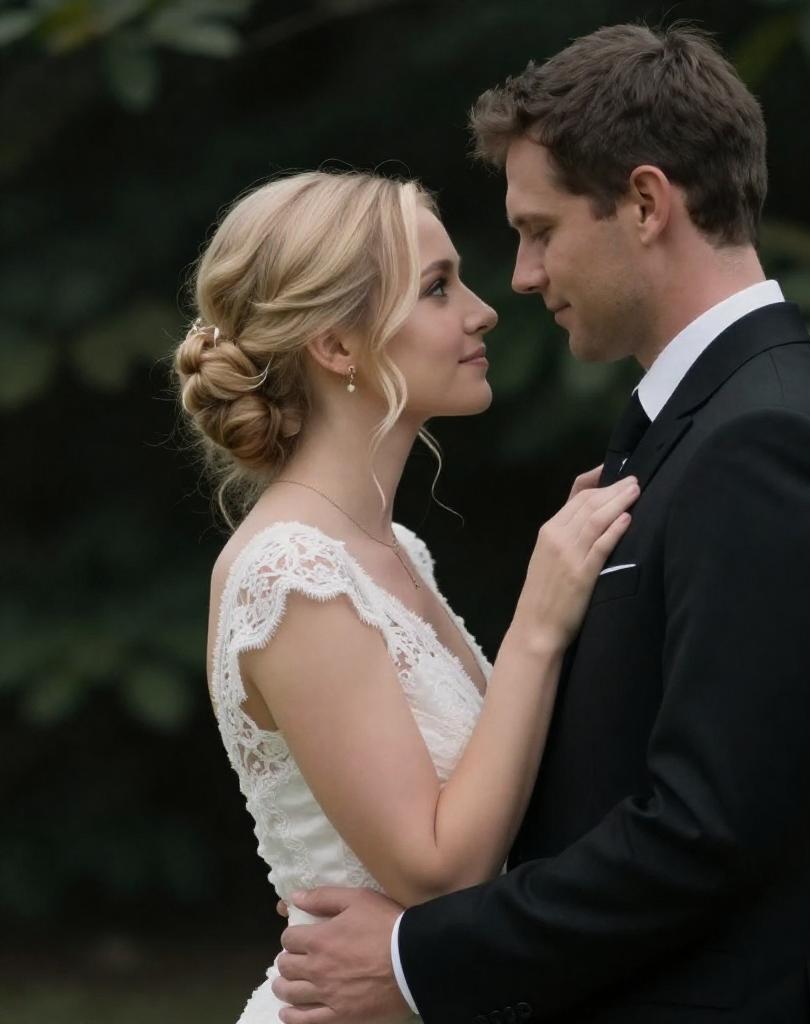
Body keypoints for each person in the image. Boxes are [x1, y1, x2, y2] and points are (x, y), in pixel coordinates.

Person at [272, 22, 810, 1024]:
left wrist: (413, 960)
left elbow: (703, 829)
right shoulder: (699, 423)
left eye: (540, 230)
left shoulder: (770, 442)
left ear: (646, 204)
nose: (521, 277)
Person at [173, 169, 640, 1024]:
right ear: (337, 347)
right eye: (437, 288)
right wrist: (539, 621)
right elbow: (437, 872)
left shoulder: (395, 551)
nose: (483, 311)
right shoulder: (290, 572)